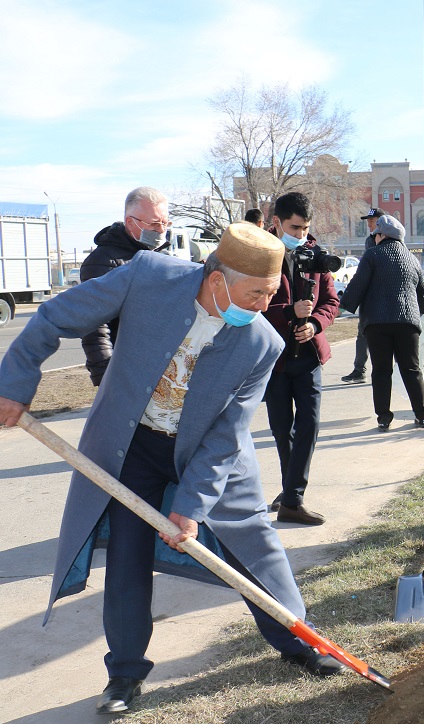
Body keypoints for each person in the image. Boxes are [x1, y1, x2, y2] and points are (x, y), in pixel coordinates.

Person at [0, 223, 347, 715]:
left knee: (254, 545)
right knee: (127, 555)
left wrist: (191, 507)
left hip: (208, 449)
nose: (261, 307)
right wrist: (16, 382)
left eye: (270, 296)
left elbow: (227, 435)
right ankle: (123, 674)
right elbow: (56, 316)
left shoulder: (262, 343)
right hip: (131, 442)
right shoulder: (148, 276)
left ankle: (300, 641)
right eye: (254, 295)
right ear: (216, 278)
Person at [262, 192, 340, 526]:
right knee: (283, 430)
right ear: (277, 222)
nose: (301, 234)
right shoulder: (259, 256)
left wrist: (314, 324)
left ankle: (292, 498)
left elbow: (333, 302)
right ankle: (290, 493)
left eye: (306, 227)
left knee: (308, 424)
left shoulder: (315, 257)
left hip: (308, 358)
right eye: (295, 227)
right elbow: (250, 307)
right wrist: (288, 313)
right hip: (274, 361)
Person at [340, 215, 424, 431]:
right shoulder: (412, 259)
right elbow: (422, 292)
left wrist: (342, 305)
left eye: (375, 234)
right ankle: (422, 414)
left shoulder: (372, 255)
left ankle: (384, 417)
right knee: (411, 369)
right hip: (407, 323)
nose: (373, 238)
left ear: (382, 235)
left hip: (377, 323)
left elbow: (358, 285)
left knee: (381, 371)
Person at [79, 187, 170, 386]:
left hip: (161, 371)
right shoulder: (102, 262)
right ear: (130, 222)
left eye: (165, 223)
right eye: (154, 224)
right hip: (125, 374)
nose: (161, 230)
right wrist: (107, 378)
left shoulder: (163, 258)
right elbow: (94, 328)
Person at [342, 207, 389, 385]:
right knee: (363, 334)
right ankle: (359, 370)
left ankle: (384, 371)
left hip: (383, 297)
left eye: (372, 220)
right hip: (370, 296)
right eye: (368, 221)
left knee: (384, 335)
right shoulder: (370, 240)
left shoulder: (389, 239)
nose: (369, 224)